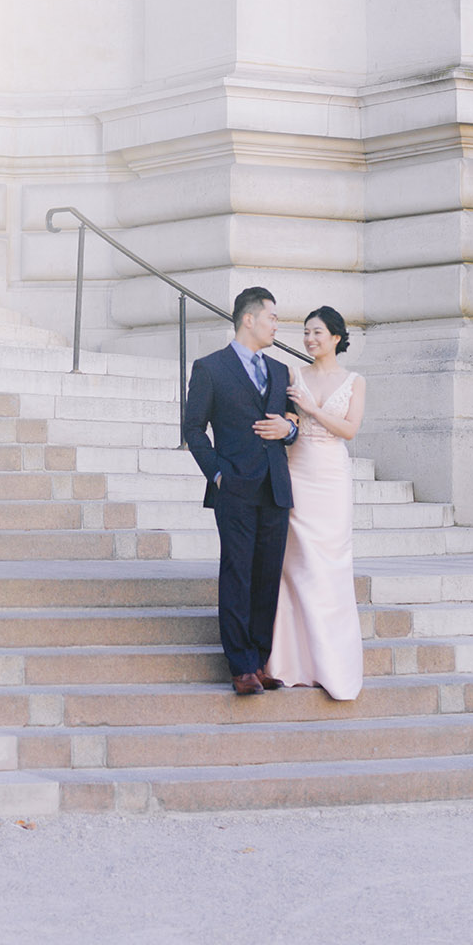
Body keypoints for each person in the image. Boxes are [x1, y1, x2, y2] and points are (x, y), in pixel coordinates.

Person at [182, 285, 298, 695]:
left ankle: (261, 659)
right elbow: (192, 429)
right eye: (272, 317)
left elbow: (292, 422)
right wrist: (216, 474)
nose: (276, 325)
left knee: (267, 576)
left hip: (275, 488)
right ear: (249, 319)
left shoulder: (281, 371)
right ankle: (241, 666)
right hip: (233, 488)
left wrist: (290, 429)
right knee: (237, 575)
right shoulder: (210, 368)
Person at [265, 305, 365, 701]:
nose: (309, 339)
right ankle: (290, 663)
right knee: (296, 565)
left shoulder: (355, 381)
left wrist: (311, 409)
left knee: (330, 564)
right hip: (298, 470)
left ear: (336, 338)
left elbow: (350, 430)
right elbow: (288, 422)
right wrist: (292, 419)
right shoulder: (293, 375)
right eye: (306, 332)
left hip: (332, 475)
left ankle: (332, 663)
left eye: (318, 332)